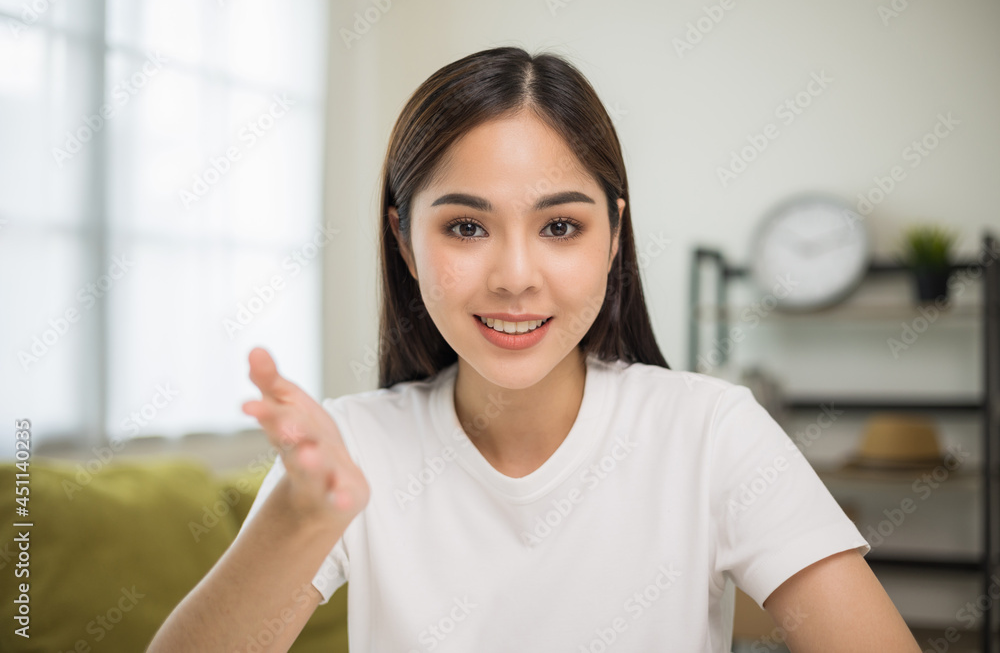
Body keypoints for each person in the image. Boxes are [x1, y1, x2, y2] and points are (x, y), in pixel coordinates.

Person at [148, 46, 921, 652]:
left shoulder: (712, 432)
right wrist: (297, 520)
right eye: (465, 226)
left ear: (614, 236)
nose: (516, 277)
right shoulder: (356, 447)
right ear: (405, 243)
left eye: (560, 226)